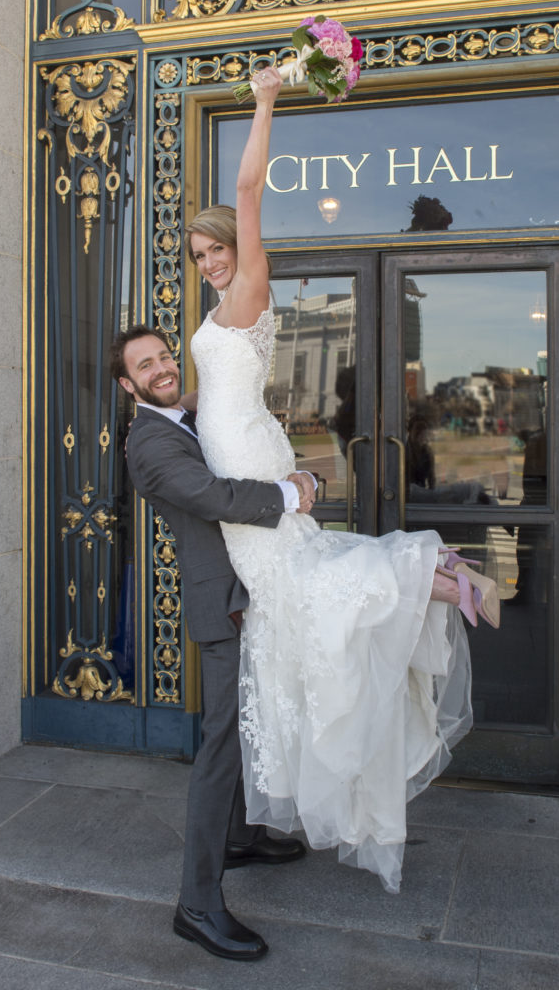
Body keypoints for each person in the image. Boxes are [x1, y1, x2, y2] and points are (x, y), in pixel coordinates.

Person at [183, 67, 499, 898]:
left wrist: (263, 100)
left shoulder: (249, 291)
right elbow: (212, 394)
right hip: (247, 448)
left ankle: (437, 580)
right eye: (202, 256)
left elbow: (249, 186)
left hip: (247, 466)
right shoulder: (217, 316)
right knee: (296, 590)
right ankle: (440, 579)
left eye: (218, 248)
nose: (212, 264)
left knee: (301, 589)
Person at [110, 323, 316, 962]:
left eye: (166, 356)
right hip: (220, 602)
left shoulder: (181, 417)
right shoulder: (148, 442)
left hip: (249, 587)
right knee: (223, 743)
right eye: (146, 365)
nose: (162, 368)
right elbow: (211, 495)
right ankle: (196, 904)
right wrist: (289, 494)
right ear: (128, 384)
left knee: (248, 727)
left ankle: (238, 836)